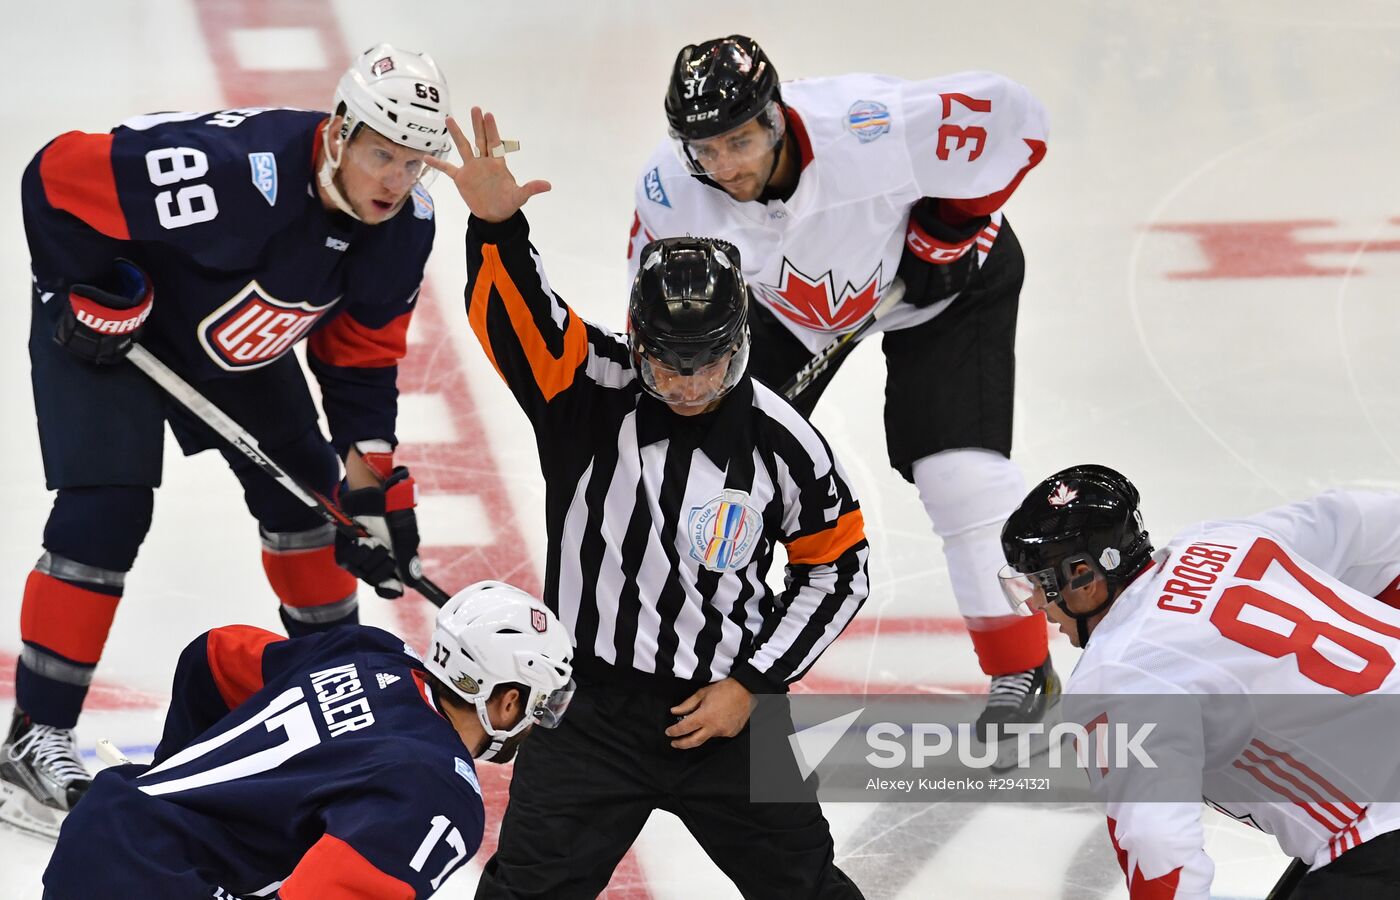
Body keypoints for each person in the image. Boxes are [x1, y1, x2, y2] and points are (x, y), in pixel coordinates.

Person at [7, 43, 450, 831]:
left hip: (233, 336)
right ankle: (33, 734)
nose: (396, 180)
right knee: (105, 514)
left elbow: (359, 359)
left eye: (415, 163)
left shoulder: (405, 225)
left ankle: (332, 707)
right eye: (383, 154)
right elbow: (53, 176)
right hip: (117, 326)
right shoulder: (228, 173)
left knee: (316, 508)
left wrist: (370, 487)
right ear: (341, 131)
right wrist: (87, 286)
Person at [427, 108, 869, 898]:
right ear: (636, 341)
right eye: (666, 366)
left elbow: (838, 571)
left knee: (806, 887)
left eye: (707, 366)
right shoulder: (588, 388)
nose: (687, 386)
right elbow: (517, 320)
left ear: (739, 346)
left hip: (730, 711)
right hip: (586, 710)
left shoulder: (786, 442)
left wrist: (757, 684)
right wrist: (495, 225)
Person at [629, 35, 1054, 744]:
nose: (727, 165)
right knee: (710, 464)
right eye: (707, 149)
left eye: (742, 139)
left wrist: (947, 235)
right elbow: (656, 306)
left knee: (958, 476)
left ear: (775, 116)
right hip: (790, 313)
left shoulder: (868, 125)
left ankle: (1022, 665)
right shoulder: (670, 192)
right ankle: (706, 652)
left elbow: (1017, 120)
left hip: (947, 290)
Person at [999, 465, 1400, 899]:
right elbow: (1366, 522)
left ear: (1084, 578)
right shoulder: (1222, 541)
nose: (1038, 604)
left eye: (1041, 584)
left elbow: (1162, 857)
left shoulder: (1116, 678)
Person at [40, 580, 574, 898]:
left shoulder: (369, 652)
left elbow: (214, 656)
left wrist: (181, 789)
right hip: (162, 883)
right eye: (538, 703)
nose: (534, 721)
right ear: (507, 699)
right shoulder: (440, 791)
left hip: (106, 827)